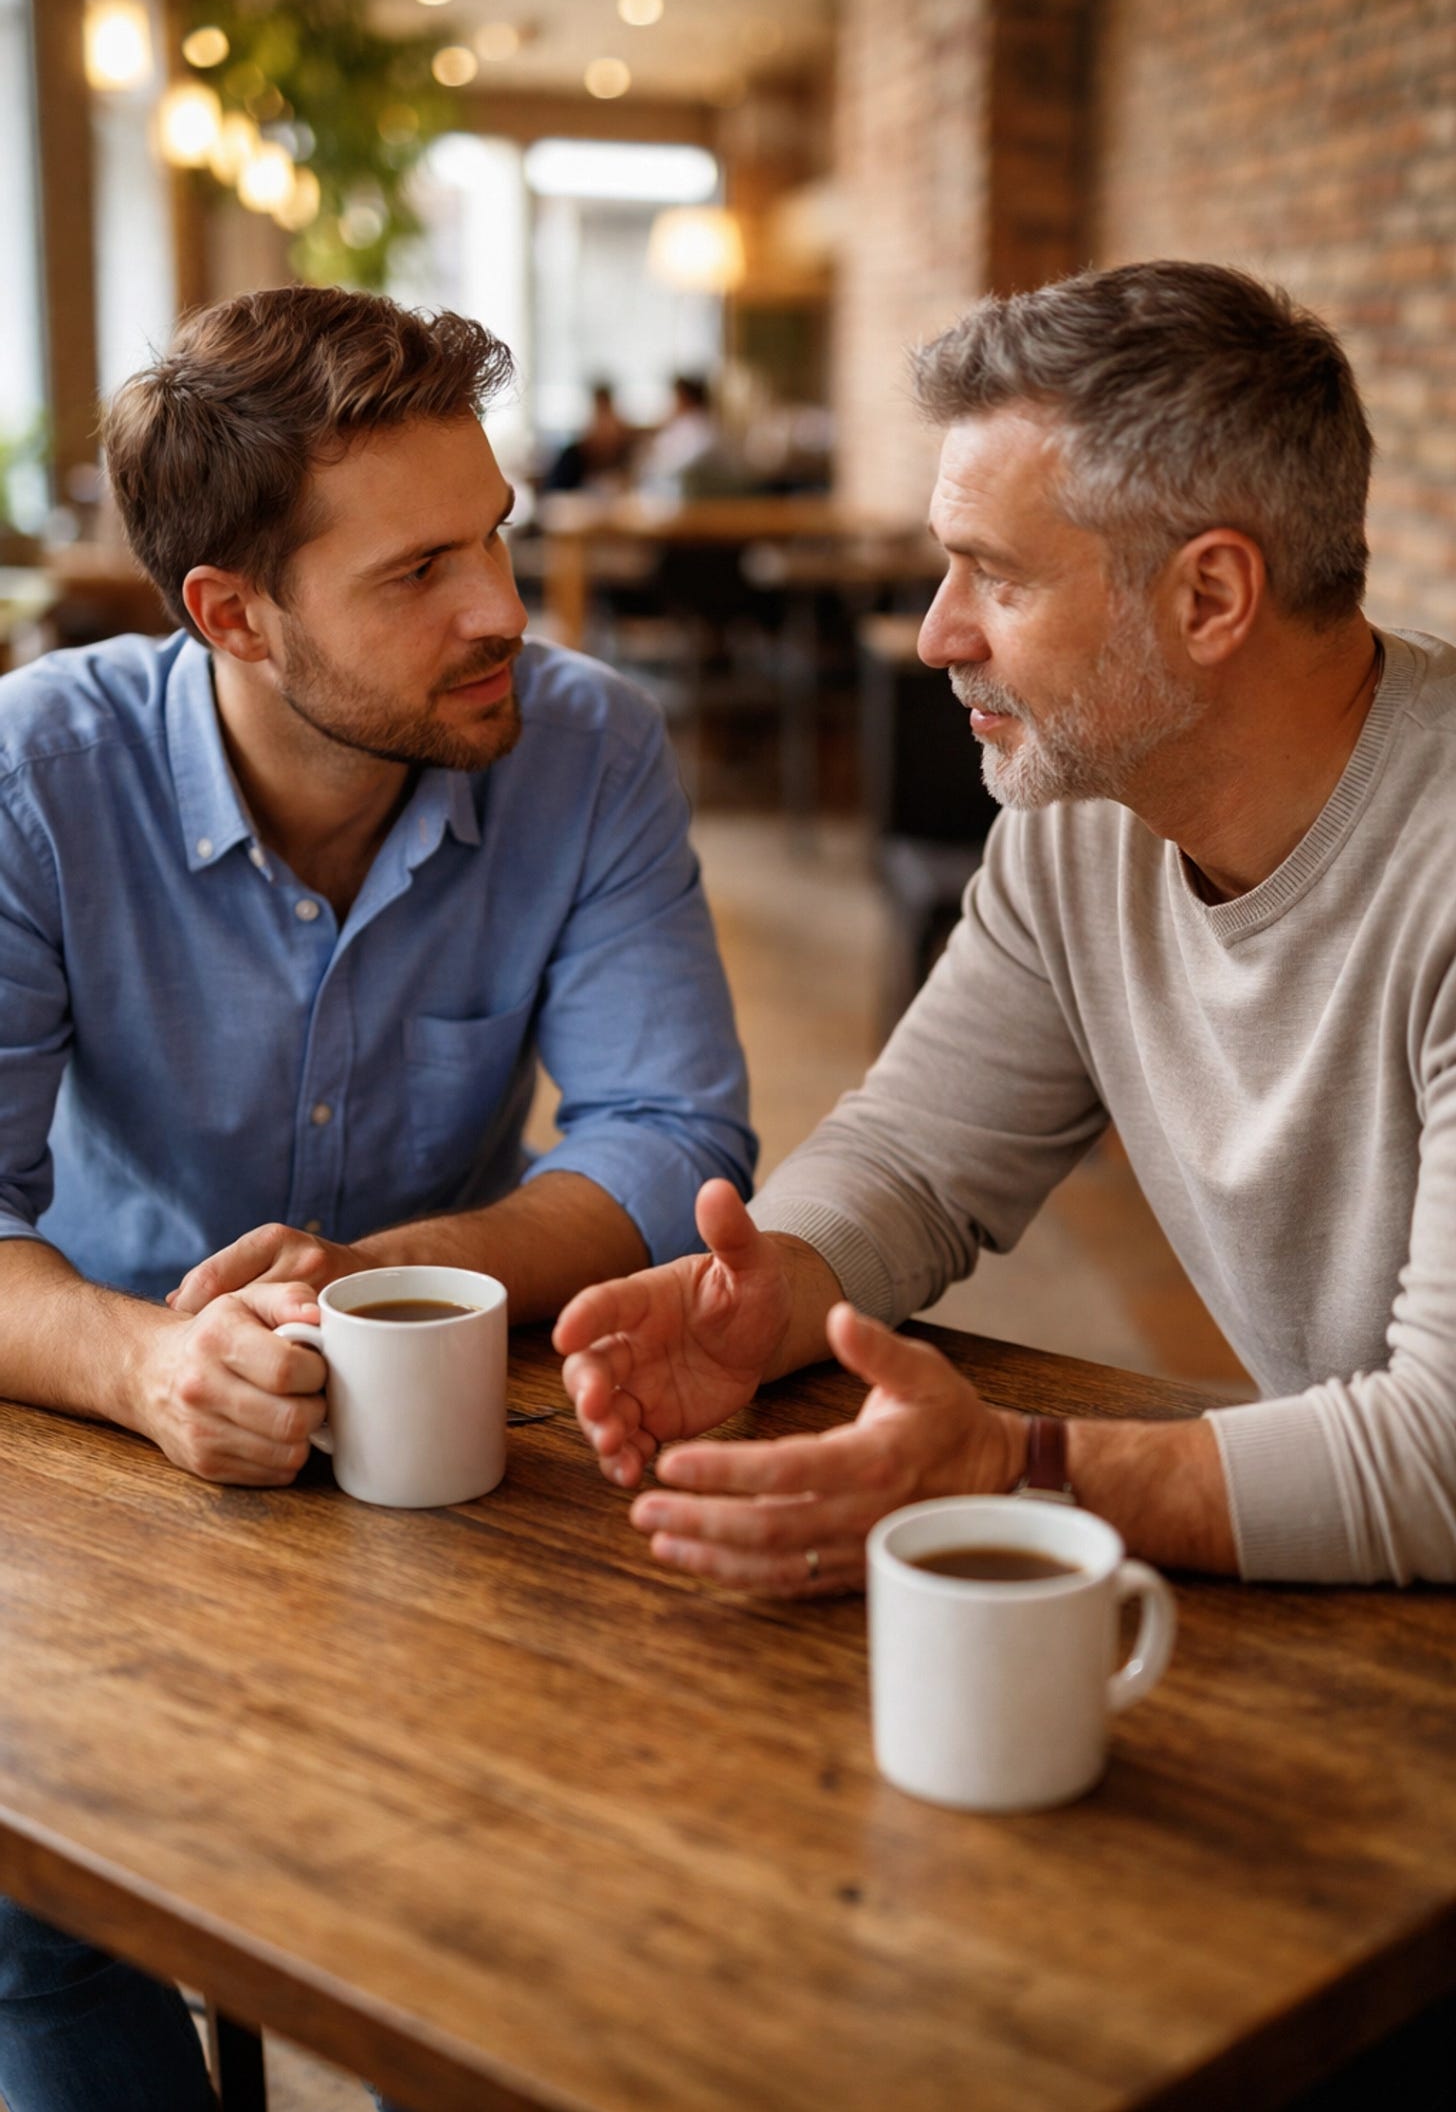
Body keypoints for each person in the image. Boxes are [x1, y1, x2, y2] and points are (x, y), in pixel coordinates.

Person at [0, 285, 753, 2109]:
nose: (502, 605)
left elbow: (676, 1139)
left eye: (493, 534)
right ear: (231, 614)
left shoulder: (588, 744)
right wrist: (147, 1363)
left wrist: (399, 1274)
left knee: (541, 1927)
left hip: (464, 1444)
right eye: (418, 569)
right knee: (34, 1935)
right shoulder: (37, 767)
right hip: (95, 1444)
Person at [557, 257, 1456, 1596]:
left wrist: (1013, 1469)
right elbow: (921, 1154)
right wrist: (770, 1292)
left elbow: (1438, 1464)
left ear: (1209, 598)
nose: (933, 635)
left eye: (994, 576)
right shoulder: (1087, 812)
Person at [539, 378, 635, 493]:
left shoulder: (626, 455)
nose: (604, 427)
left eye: (608, 417)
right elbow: (551, 495)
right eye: (600, 417)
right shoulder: (572, 456)